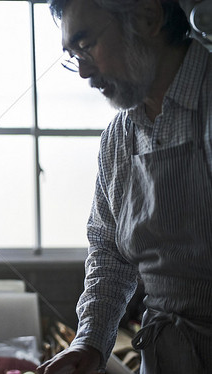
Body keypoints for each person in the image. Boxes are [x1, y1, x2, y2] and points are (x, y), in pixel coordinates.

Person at [37, 0, 211, 373]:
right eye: (72, 55)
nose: (82, 70)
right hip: (166, 357)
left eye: (86, 45)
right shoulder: (119, 138)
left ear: (148, 18)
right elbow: (109, 254)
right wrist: (90, 342)